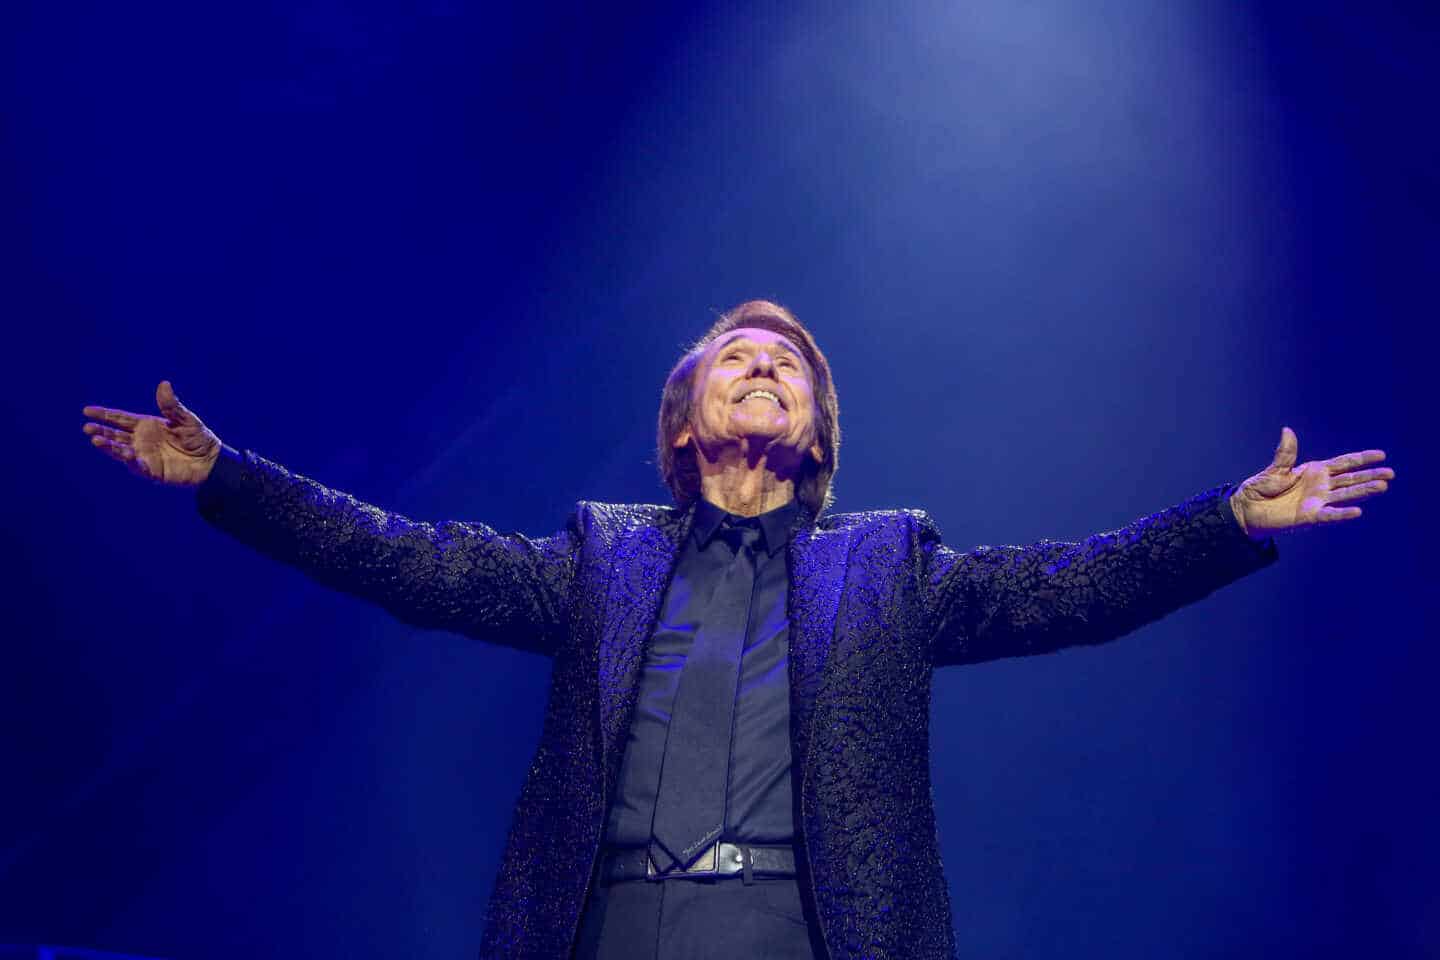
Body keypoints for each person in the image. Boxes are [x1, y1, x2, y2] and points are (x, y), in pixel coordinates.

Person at [81, 300, 1394, 959]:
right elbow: (411, 562)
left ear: (818, 434)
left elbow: (1079, 585)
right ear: (681, 426)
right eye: (733, 356)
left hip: (807, 935)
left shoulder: (890, 565)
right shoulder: (604, 558)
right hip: (610, 933)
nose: (765, 363)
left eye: (790, 365)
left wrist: (1232, 518)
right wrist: (233, 480)